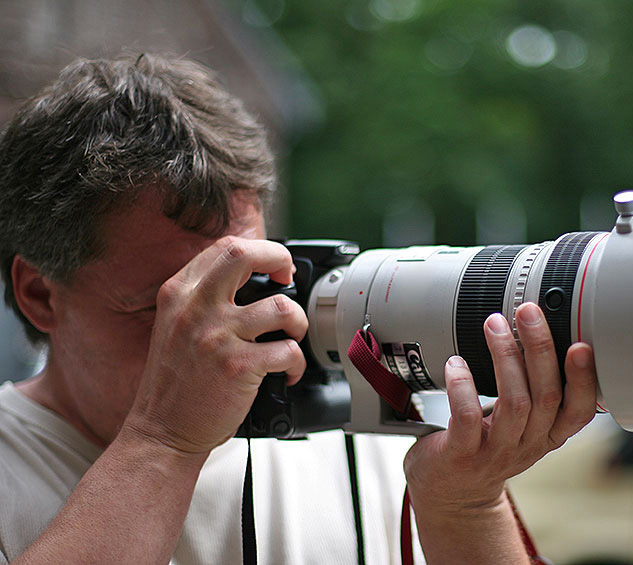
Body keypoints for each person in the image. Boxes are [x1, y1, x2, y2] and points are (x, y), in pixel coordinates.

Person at [0, 53, 598, 564]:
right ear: (39, 293)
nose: (221, 333)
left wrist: (466, 506)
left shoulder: (375, 430)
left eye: (247, 284)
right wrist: (163, 441)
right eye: (173, 305)